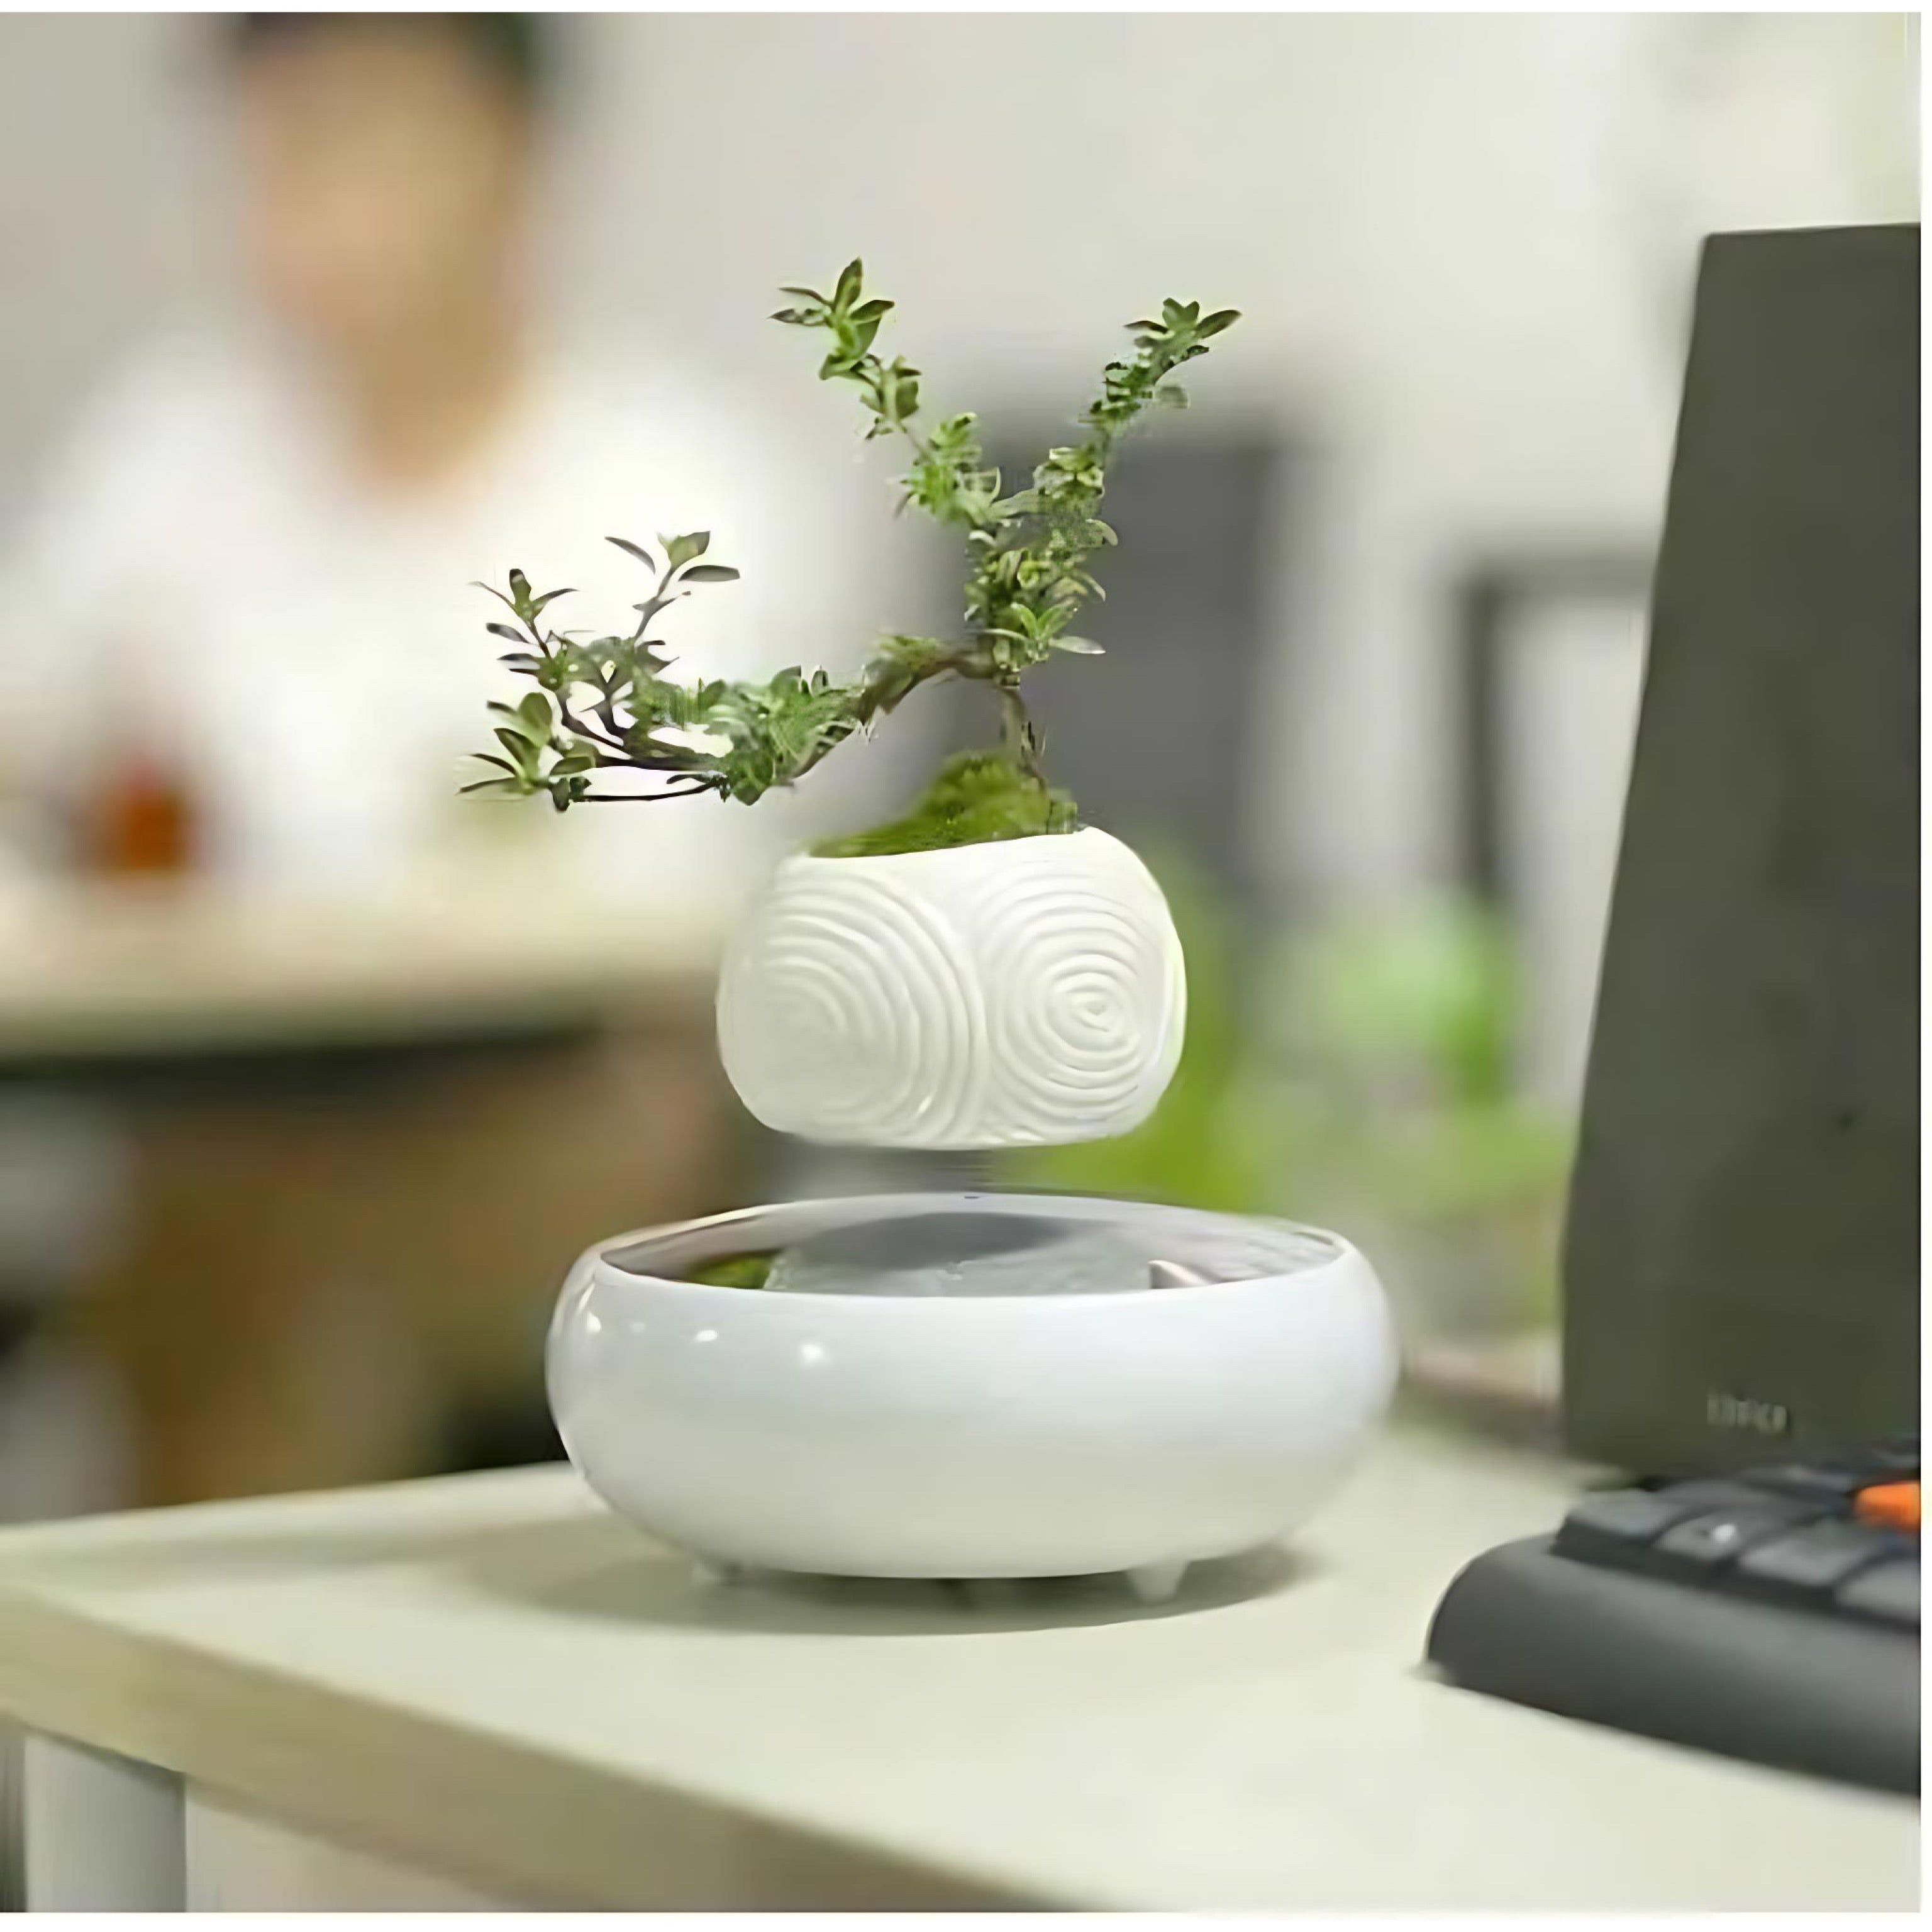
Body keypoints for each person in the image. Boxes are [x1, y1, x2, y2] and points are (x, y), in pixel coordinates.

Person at [0, 11, 877, 906]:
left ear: (511, 154)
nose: (314, 209)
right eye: (278, 150)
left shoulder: (695, 507)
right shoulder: (170, 452)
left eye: (359, 139)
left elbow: (663, 907)